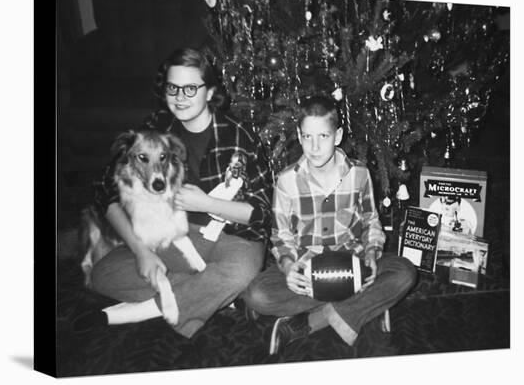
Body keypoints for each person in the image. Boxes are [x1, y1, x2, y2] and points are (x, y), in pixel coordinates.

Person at [73, 48, 273, 339]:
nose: (180, 96)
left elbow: (263, 214)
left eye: (191, 88)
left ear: (210, 92)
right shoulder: (156, 127)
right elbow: (106, 190)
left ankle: (131, 312)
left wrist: (206, 203)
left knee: (240, 272)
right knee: (103, 274)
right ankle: (210, 292)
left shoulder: (240, 136)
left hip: (234, 236)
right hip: (174, 234)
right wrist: (141, 252)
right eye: (173, 87)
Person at [241, 96, 417, 354]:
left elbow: (371, 221)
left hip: (353, 266)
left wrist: (371, 253)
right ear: (299, 136)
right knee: (257, 295)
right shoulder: (287, 180)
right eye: (306, 137)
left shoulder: (359, 173)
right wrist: (289, 267)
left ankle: (310, 322)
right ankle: (366, 308)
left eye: (323, 136)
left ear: (338, 136)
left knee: (405, 272)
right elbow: (281, 236)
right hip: (308, 269)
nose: (314, 147)